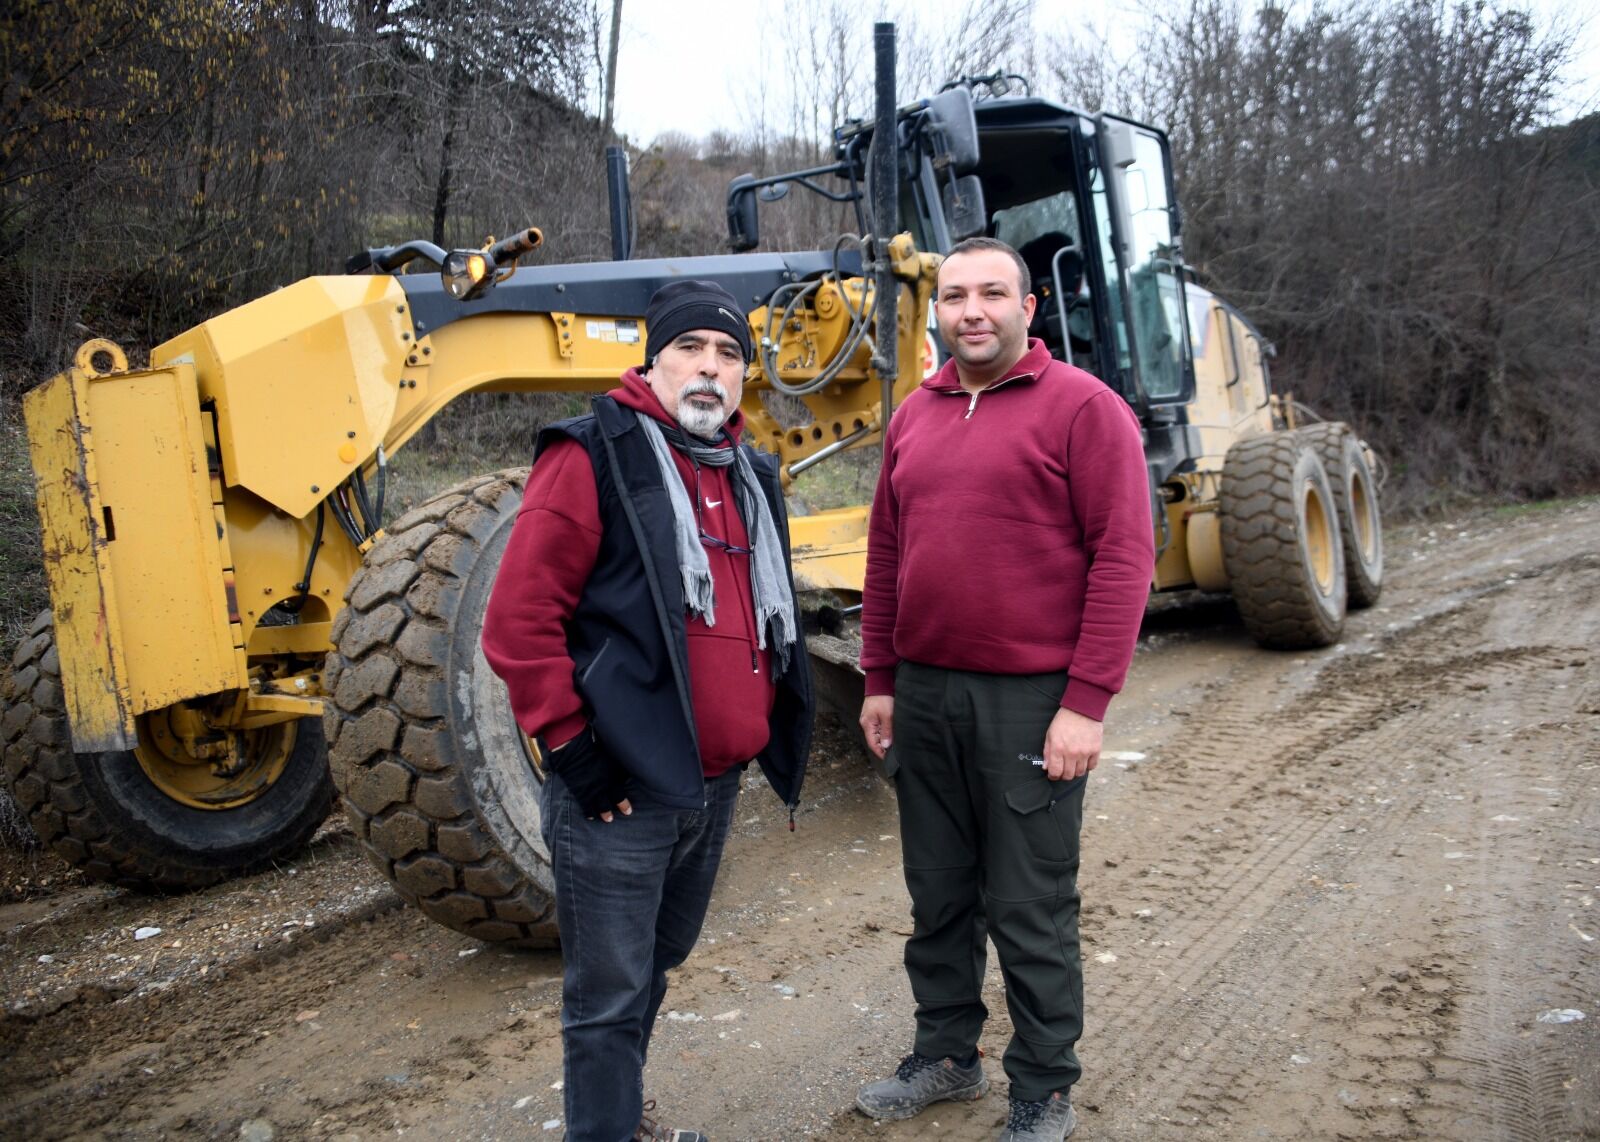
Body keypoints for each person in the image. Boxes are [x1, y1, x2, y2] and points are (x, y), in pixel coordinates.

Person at [482, 279, 814, 1142]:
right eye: (690, 350)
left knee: (655, 965)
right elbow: (518, 621)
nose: (710, 369)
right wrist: (570, 746)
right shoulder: (592, 456)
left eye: (729, 354)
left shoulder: (747, 471)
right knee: (607, 995)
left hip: (712, 784)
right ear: (653, 360)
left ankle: (618, 1119)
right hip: (621, 787)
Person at [854, 237, 1154, 1142]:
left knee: (1029, 901)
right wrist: (880, 679)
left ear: (1029, 306)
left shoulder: (1084, 410)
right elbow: (885, 556)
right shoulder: (915, 413)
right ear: (936, 310)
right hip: (927, 694)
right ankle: (946, 1054)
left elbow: (1125, 558)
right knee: (938, 892)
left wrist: (1085, 703)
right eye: (953, 296)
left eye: (992, 293)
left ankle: (1042, 1085)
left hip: (1031, 700)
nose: (971, 310)